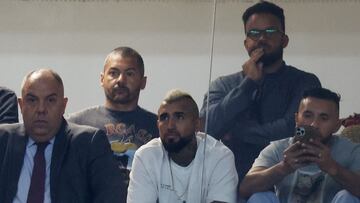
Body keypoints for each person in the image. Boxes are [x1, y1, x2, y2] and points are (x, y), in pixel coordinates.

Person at [200, 1, 321, 181]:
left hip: (289, 182)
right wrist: (248, 85)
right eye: (254, 33)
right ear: (246, 42)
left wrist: (235, 132)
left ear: (284, 40)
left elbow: (293, 131)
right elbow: (206, 130)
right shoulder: (223, 85)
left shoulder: (305, 82)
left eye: (270, 32)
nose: (261, 39)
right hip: (229, 181)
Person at [0, 69, 126, 203]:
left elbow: (112, 197)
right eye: (32, 100)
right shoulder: (4, 140)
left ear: (63, 105)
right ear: (21, 104)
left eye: (50, 100)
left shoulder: (88, 143)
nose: (41, 109)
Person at [239, 87, 360, 203]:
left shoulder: (352, 151)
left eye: (324, 118)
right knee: (260, 197)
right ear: (297, 119)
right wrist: (283, 167)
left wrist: (332, 168)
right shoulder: (277, 148)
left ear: (337, 125)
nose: (314, 124)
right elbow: (245, 189)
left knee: (348, 197)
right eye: (308, 116)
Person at [127, 89, 238, 203]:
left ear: (196, 124)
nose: (170, 126)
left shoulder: (220, 157)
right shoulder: (146, 156)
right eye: (164, 118)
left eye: (179, 117)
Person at [68, 47, 158, 182]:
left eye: (130, 74)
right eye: (113, 73)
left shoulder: (159, 127)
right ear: (102, 79)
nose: (121, 80)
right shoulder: (76, 124)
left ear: (143, 82)